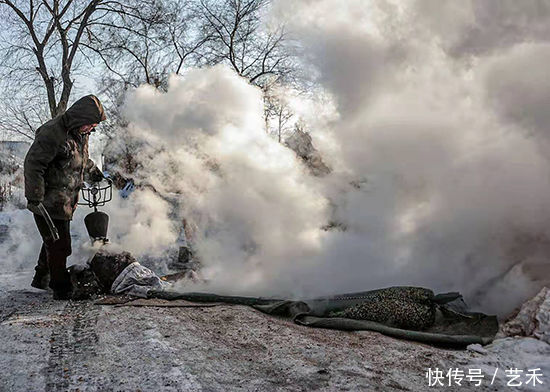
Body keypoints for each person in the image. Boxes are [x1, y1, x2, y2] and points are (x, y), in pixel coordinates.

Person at [24, 95, 107, 299]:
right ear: (80, 118)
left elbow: (81, 159)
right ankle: (61, 289)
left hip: (64, 200)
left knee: (52, 240)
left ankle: (40, 279)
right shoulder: (52, 132)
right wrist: (35, 196)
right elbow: (33, 164)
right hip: (47, 200)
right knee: (61, 245)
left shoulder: (79, 134)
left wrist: (94, 172)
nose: (91, 129)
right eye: (90, 125)